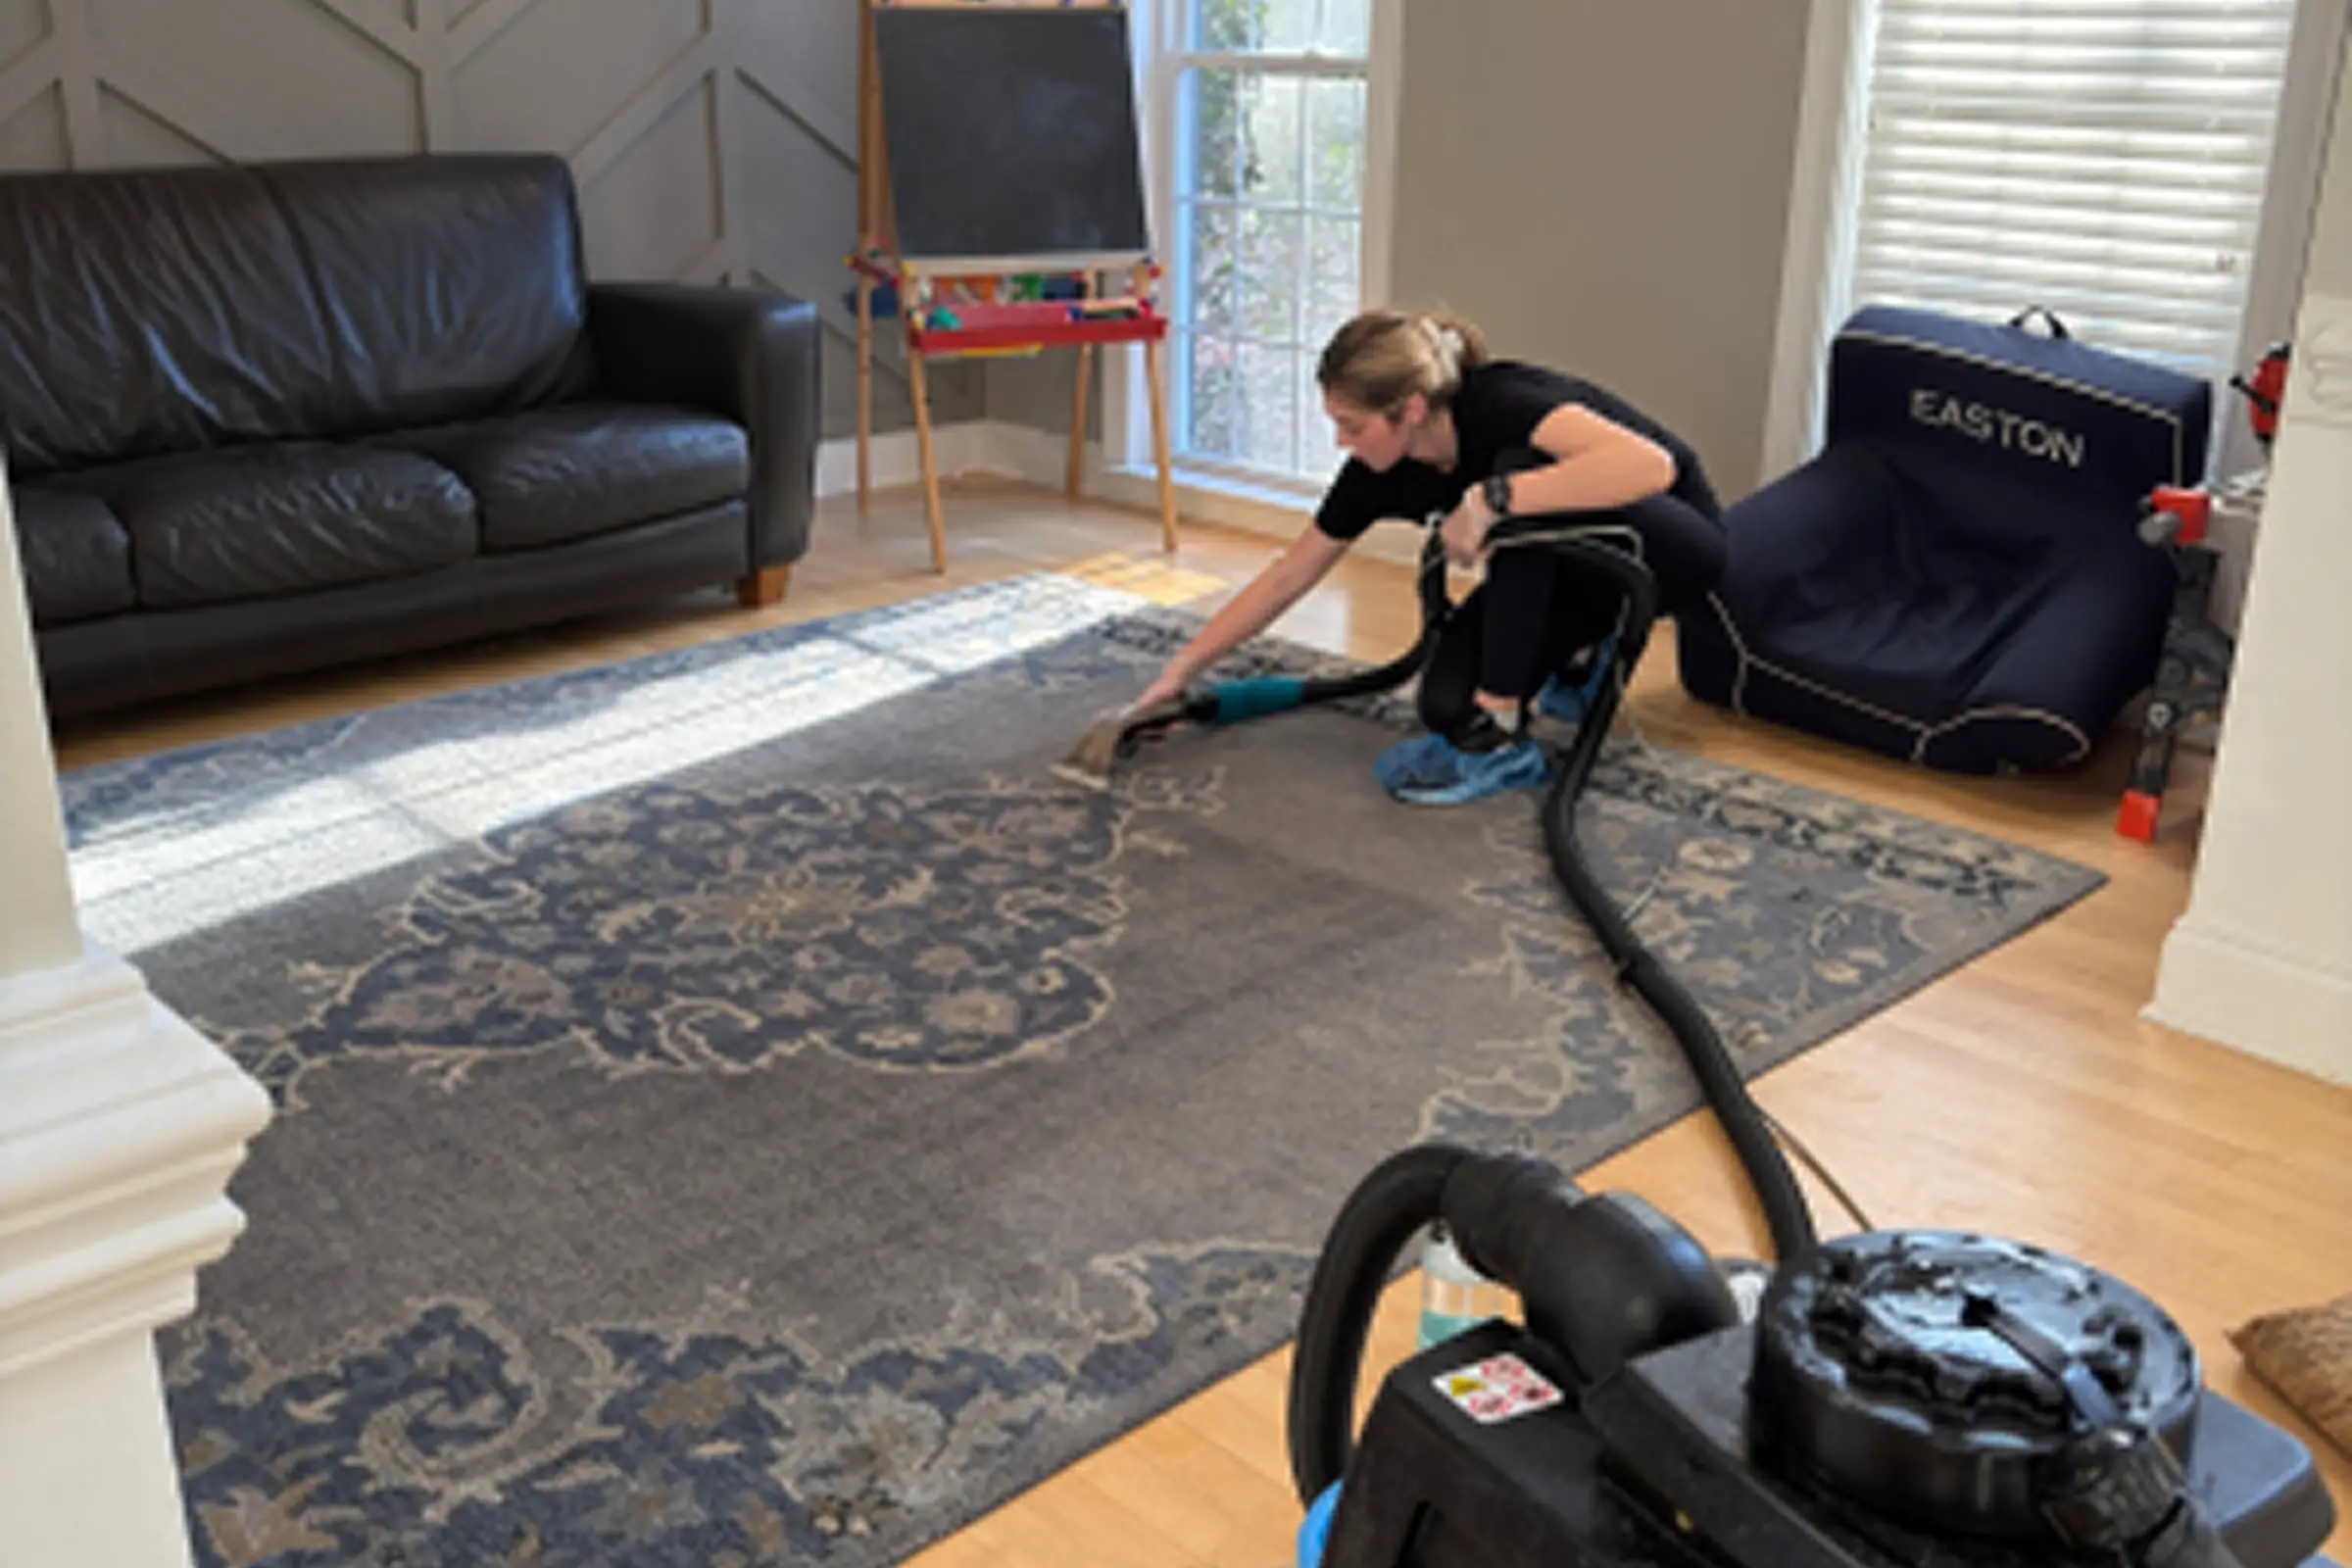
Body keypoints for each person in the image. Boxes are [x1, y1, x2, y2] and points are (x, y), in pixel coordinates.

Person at [1133, 309, 1728, 806]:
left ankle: (1502, 729)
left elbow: (1652, 468)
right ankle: (1575, 659)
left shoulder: (1502, 402)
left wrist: (1490, 499)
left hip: (1672, 550)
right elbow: (1290, 574)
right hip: (1562, 573)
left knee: (1517, 476)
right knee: (1444, 708)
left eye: (1352, 425)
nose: (1342, 442)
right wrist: (1183, 669)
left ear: (1410, 410)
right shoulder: (1375, 473)